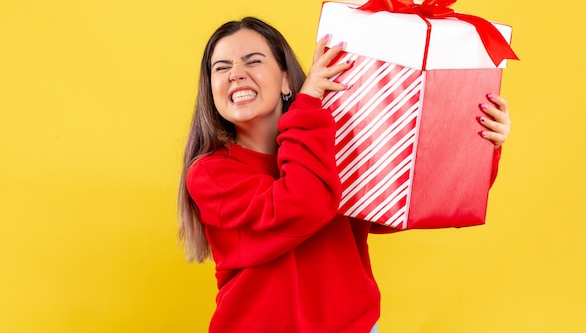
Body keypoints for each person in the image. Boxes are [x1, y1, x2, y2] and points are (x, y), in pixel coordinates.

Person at [177, 17, 511, 333]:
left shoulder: (327, 144)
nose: (236, 74)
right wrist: (308, 105)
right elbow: (302, 204)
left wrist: (481, 144)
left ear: (286, 80)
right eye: (221, 68)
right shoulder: (210, 174)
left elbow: (409, 203)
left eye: (252, 61)